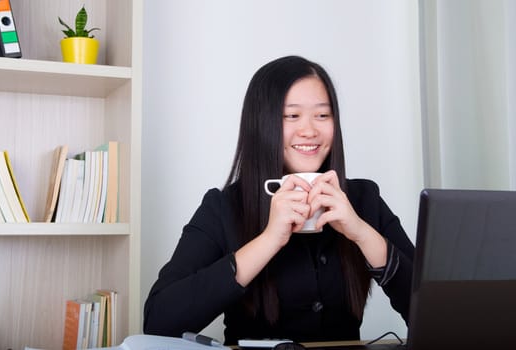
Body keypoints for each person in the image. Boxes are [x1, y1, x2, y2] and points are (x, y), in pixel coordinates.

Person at [143, 55, 414, 345]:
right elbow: (160, 321)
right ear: (262, 123)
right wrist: (269, 239)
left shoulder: (363, 199)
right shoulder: (224, 208)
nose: (309, 130)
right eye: (291, 116)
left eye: (322, 115)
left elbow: (432, 311)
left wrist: (361, 233)